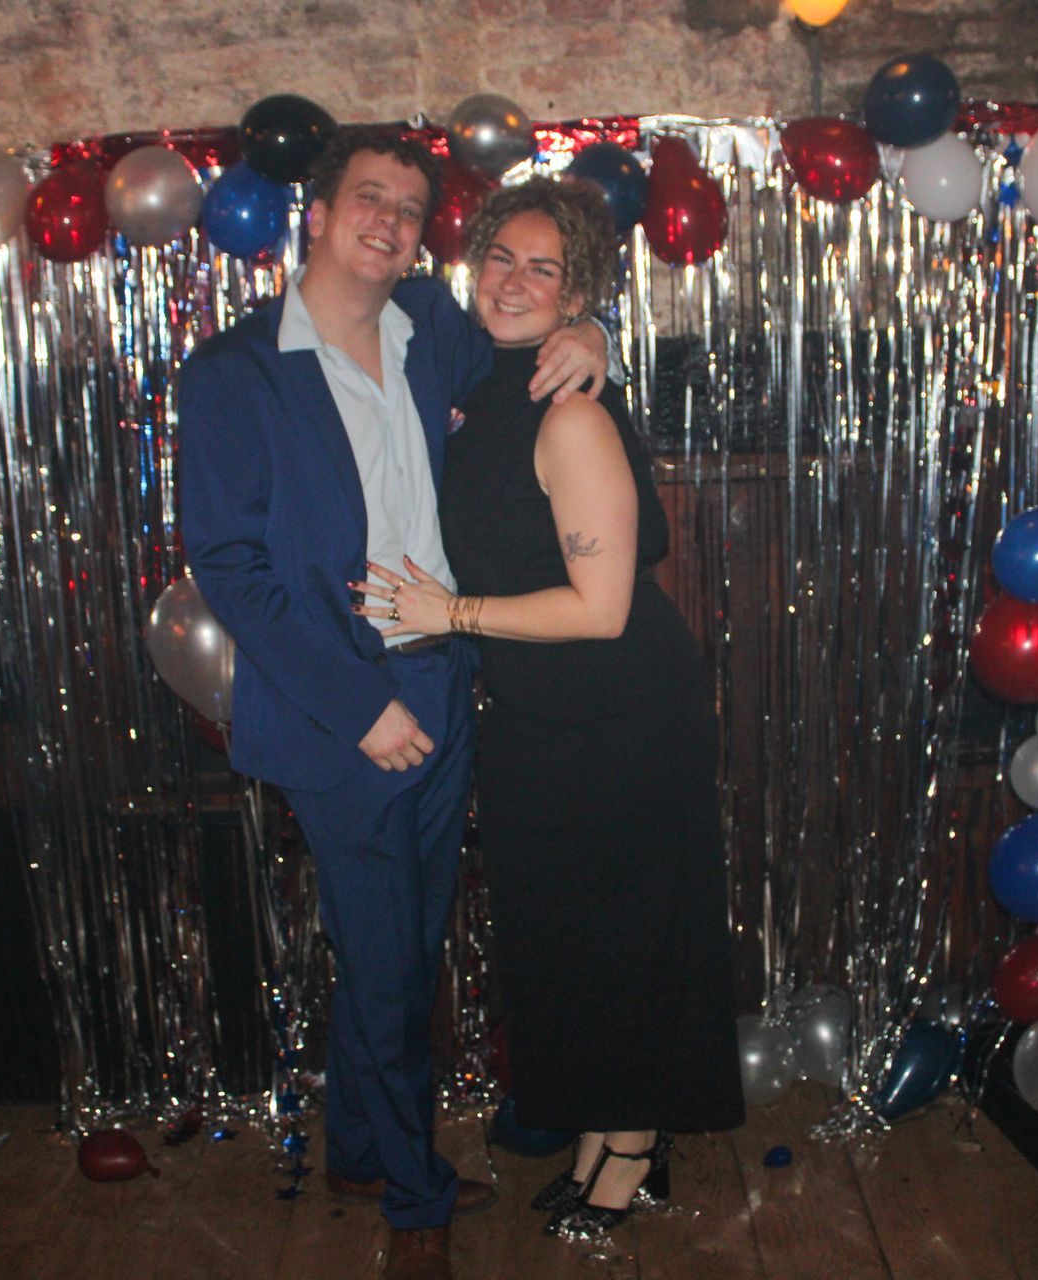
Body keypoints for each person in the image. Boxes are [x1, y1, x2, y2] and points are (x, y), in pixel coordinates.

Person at [177, 130, 608, 1280]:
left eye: (411, 208)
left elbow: (534, 325)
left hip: (445, 669)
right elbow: (231, 568)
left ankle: (362, 1147)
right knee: (386, 957)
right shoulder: (232, 370)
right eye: (368, 197)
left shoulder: (429, 324)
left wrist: (594, 333)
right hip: (340, 696)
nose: (390, 220)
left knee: (403, 941)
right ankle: (416, 1195)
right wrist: (358, 704)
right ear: (316, 214)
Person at [352, 177, 745, 1243]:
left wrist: (449, 612)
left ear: (578, 293)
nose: (513, 282)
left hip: (619, 714)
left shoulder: (569, 413)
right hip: (534, 714)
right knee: (571, 942)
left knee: (620, 937)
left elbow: (602, 608)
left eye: (545, 269)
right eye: (501, 259)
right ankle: (604, 1129)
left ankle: (634, 1144)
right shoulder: (483, 383)